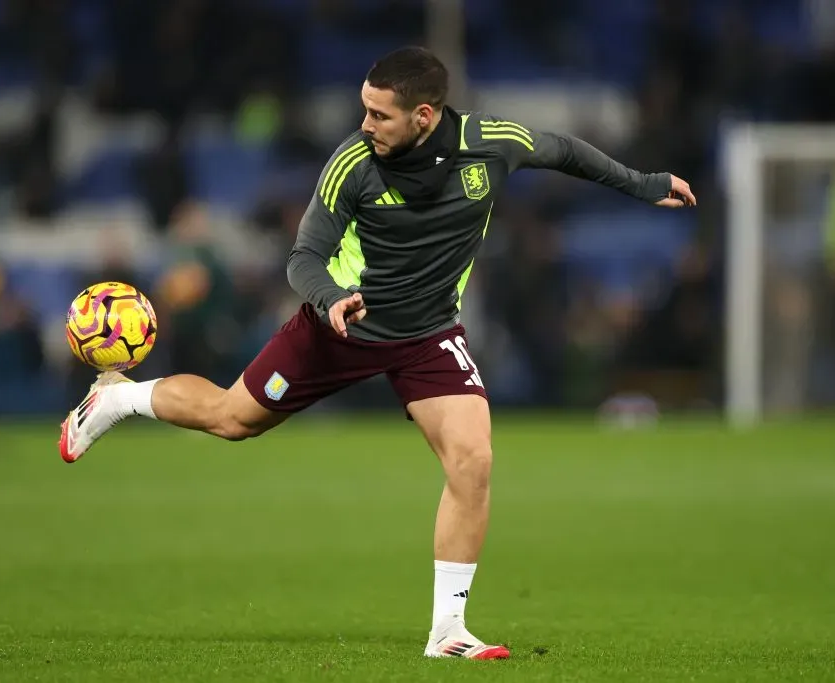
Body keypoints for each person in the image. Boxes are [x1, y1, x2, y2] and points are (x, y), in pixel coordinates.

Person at [59, 46, 696, 660]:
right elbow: (303, 256)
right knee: (231, 419)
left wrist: (643, 183)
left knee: (472, 461)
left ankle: (448, 629)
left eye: (379, 114)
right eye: (363, 109)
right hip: (338, 327)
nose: (364, 124)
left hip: (429, 334)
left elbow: (563, 150)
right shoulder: (352, 164)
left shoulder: (490, 143)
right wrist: (331, 299)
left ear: (424, 116)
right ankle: (121, 397)